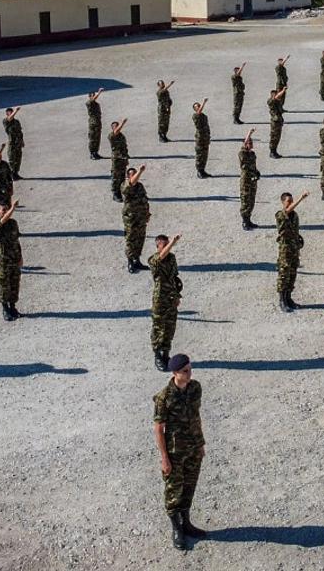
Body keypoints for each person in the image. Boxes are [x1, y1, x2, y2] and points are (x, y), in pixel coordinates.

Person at [154, 354, 207, 550]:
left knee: (189, 487)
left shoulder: (195, 388)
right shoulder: (164, 397)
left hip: (193, 448)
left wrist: (201, 444)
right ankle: (177, 529)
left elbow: (196, 416)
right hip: (175, 452)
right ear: (175, 373)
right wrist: (164, 458)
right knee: (173, 492)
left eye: (190, 369)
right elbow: (159, 429)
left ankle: (187, 524)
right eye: (185, 371)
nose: (189, 373)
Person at [149, 234, 184, 370]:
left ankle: (165, 353)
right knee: (159, 327)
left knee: (170, 326)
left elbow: (175, 277)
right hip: (160, 299)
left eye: (167, 243)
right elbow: (162, 256)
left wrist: (177, 296)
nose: (168, 246)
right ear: (158, 246)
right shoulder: (153, 259)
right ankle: (158, 355)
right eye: (164, 244)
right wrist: (173, 242)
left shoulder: (172, 258)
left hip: (171, 298)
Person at [276, 191, 308, 311]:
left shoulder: (295, 216)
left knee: (292, 273)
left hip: (294, 249)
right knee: (284, 274)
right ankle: (282, 300)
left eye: (291, 200)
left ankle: (289, 298)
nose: (290, 203)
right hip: (285, 250)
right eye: (288, 201)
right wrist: (300, 198)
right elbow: (287, 211)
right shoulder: (280, 214)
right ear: (283, 202)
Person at [0, 200, 22, 320]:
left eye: (6, 209)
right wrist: (13, 208)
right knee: (5, 284)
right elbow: (3, 220)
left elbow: (17, 240)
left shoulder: (13, 223)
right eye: (2, 210)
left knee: (14, 283)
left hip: (14, 257)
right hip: (4, 260)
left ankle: (13, 308)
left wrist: (20, 257)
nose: (5, 212)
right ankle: (5, 309)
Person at [122, 165, 151, 273]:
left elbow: (145, 199)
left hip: (141, 217)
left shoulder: (140, 186)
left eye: (136, 174)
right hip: (131, 219)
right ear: (128, 177)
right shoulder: (125, 185)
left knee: (140, 239)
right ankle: (130, 262)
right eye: (132, 174)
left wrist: (147, 213)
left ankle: (137, 260)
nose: (135, 176)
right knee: (131, 240)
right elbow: (131, 183)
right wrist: (140, 171)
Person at [238, 129, 261, 229]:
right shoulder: (242, 154)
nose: (252, 144)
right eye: (250, 143)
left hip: (252, 180)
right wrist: (249, 133)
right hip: (246, 181)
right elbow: (244, 146)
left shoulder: (252, 154)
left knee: (251, 200)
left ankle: (248, 220)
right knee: (246, 200)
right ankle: (244, 222)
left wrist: (257, 173)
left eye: (252, 142)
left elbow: (253, 167)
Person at [108, 120, 130, 202]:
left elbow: (124, 147)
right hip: (116, 159)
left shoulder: (121, 136)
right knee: (116, 177)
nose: (117, 127)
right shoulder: (111, 135)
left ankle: (121, 192)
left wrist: (126, 159)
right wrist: (123, 123)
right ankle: (115, 194)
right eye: (115, 126)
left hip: (123, 159)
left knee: (122, 176)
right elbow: (116, 131)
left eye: (117, 125)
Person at [3, 107, 25, 178]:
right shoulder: (5, 121)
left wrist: (22, 141)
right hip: (12, 144)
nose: (12, 113)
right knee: (12, 160)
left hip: (18, 143)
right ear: (7, 114)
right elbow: (10, 118)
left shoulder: (17, 122)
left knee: (18, 159)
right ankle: (11, 175)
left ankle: (16, 173)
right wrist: (16, 111)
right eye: (10, 112)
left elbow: (20, 132)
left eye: (11, 111)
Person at [192, 100, 211, 178]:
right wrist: (204, 102)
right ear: (195, 109)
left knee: (205, 155)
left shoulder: (204, 116)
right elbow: (199, 112)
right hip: (200, 139)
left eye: (199, 105)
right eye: (197, 106)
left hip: (205, 138)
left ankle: (203, 170)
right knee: (200, 155)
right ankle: (199, 171)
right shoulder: (195, 116)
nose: (199, 107)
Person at [267, 87, 288, 159]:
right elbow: (277, 97)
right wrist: (283, 90)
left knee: (277, 138)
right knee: (274, 138)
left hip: (278, 122)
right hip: (275, 123)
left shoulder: (277, 102)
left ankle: (275, 151)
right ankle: (272, 152)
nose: (279, 96)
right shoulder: (270, 102)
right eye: (276, 95)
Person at [85, 88, 104, 160]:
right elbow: (93, 99)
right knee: (92, 138)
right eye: (92, 95)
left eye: (94, 95)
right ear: (89, 97)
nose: (93, 96)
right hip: (93, 123)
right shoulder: (89, 103)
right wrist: (99, 92)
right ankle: (92, 153)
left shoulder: (96, 104)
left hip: (98, 122)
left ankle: (96, 152)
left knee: (97, 138)